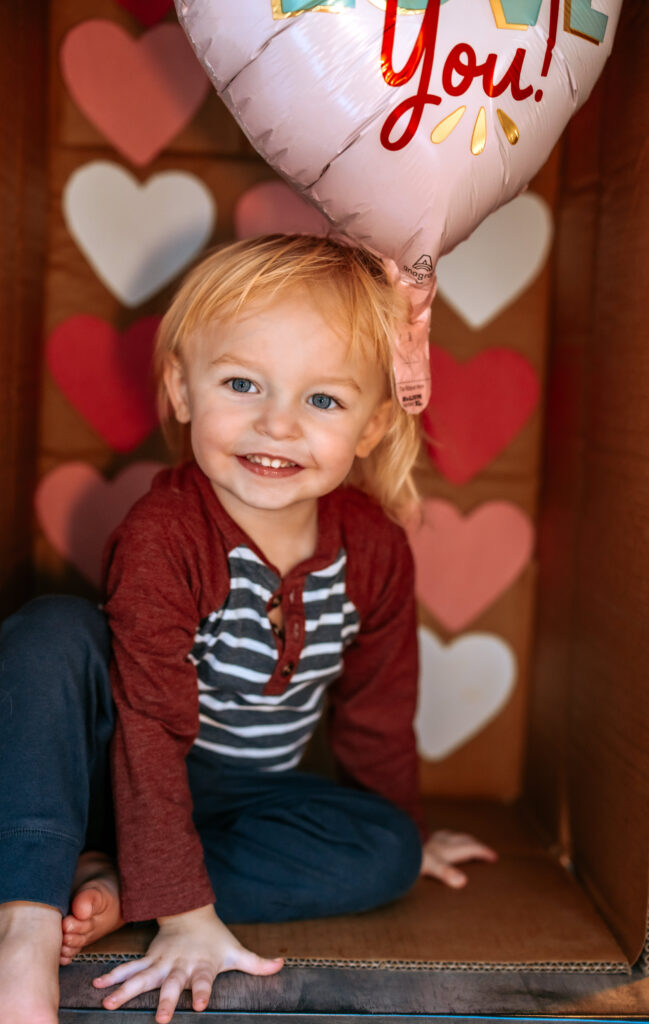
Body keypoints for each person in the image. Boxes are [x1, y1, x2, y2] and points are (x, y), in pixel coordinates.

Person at [0, 235, 496, 1024]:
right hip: (106, 765)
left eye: (323, 400)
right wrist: (187, 918)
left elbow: (376, 708)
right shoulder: (165, 534)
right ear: (182, 390)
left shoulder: (371, 550)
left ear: (370, 426)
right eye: (242, 384)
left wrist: (407, 824)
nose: (277, 425)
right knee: (48, 633)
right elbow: (151, 721)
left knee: (387, 850)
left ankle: (121, 882)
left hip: (242, 802)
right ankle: (25, 917)